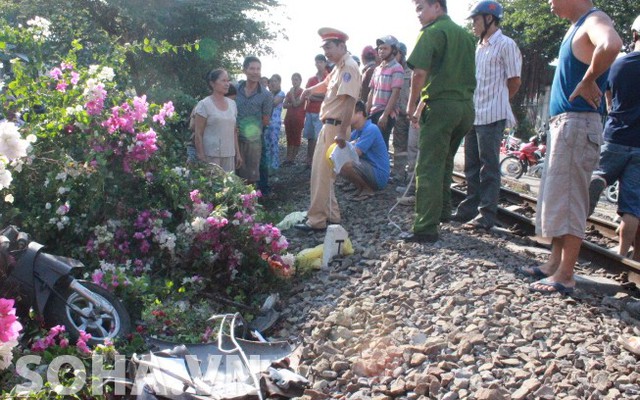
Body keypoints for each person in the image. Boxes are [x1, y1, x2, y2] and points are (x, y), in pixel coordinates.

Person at [527, 0, 622, 295]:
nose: (549, 3)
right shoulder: (576, 27)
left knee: (570, 199)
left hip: (577, 123)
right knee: (560, 197)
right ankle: (553, 264)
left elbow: (612, 43)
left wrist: (588, 78)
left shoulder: (594, 20)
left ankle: (565, 275)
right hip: (567, 123)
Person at [402, 0, 476, 243]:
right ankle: (443, 212)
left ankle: (425, 227)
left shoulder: (432, 32)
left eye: (421, 7)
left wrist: (412, 104)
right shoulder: (465, 36)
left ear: (437, 7)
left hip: (442, 108)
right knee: (444, 162)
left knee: (428, 166)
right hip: (465, 108)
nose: (418, 14)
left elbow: (420, 72)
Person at [453, 1, 522, 231]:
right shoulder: (478, 47)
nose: (473, 25)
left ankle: (486, 216)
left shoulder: (506, 44)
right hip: (474, 114)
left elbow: (514, 81)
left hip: (492, 115)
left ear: (489, 19)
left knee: (489, 168)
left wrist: (500, 101)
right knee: (471, 166)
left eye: (475, 20)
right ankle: (469, 210)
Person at [294, 27, 362, 232]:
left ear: (342, 46)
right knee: (325, 174)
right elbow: (326, 83)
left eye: (329, 47)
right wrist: (309, 89)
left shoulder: (349, 67)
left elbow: (350, 102)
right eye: (324, 48)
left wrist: (342, 132)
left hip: (335, 128)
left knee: (321, 175)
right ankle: (333, 215)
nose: (326, 52)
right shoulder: (338, 67)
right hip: (330, 126)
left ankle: (316, 220)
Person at [587, 15, 640, 261]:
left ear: (634, 35)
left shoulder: (619, 64)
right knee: (632, 205)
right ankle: (622, 254)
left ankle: (599, 179)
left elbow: (607, 100)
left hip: (616, 135)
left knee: (598, 173)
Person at [193, 69, 241, 173]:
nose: (227, 84)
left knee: (229, 187)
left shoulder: (232, 104)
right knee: (212, 186)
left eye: (228, 81)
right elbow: (198, 133)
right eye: (223, 81)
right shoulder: (204, 104)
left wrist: (238, 153)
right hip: (210, 156)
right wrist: (201, 156)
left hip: (229, 154)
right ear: (212, 83)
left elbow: (234, 131)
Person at [340, 100, 390, 200]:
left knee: (344, 163)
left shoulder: (371, 129)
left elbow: (355, 153)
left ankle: (367, 190)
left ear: (359, 114)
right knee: (338, 161)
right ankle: (360, 187)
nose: (345, 116)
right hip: (369, 168)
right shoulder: (357, 131)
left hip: (378, 174)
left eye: (349, 113)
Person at [235, 56, 273, 185]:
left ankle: (251, 202)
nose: (255, 72)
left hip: (253, 141)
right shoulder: (235, 89)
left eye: (258, 69)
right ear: (244, 70)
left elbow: (266, 120)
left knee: (251, 176)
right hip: (233, 138)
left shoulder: (266, 95)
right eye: (252, 68)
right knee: (232, 173)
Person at [367, 35, 405, 150]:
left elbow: (395, 93)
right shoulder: (377, 69)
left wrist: (385, 115)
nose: (381, 51)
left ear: (393, 50)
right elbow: (372, 91)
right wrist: (366, 112)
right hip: (374, 112)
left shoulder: (397, 68)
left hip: (385, 112)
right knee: (371, 145)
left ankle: (382, 168)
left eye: (385, 48)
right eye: (380, 48)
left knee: (381, 145)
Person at [302, 55, 329, 169]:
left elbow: (328, 96)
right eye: (317, 62)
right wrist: (319, 96)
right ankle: (309, 160)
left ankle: (318, 162)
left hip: (322, 112)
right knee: (310, 137)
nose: (318, 64)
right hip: (310, 111)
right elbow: (307, 95)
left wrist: (313, 94)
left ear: (325, 63)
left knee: (320, 137)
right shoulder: (311, 79)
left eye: (321, 62)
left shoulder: (329, 77)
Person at [283, 73, 306, 166]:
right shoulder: (288, 92)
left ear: (300, 81)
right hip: (289, 118)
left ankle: (293, 159)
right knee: (289, 138)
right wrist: (291, 103)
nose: (294, 81)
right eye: (293, 79)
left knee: (296, 138)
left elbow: (297, 104)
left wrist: (292, 95)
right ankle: (288, 158)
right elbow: (284, 105)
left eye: (296, 79)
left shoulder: (302, 92)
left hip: (298, 118)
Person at [392, 42, 410, 156]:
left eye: (395, 53)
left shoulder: (412, 70)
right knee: (399, 147)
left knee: (414, 147)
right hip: (399, 115)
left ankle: (411, 173)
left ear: (402, 54)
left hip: (411, 116)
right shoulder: (393, 69)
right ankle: (398, 173)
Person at [265, 74, 285, 171]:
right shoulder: (269, 94)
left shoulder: (281, 93)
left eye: (275, 81)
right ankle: (267, 165)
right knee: (266, 144)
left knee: (274, 143)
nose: (273, 83)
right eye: (271, 81)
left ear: (279, 82)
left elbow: (273, 103)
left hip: (275, 123)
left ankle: (275, 165)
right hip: (267, 121)